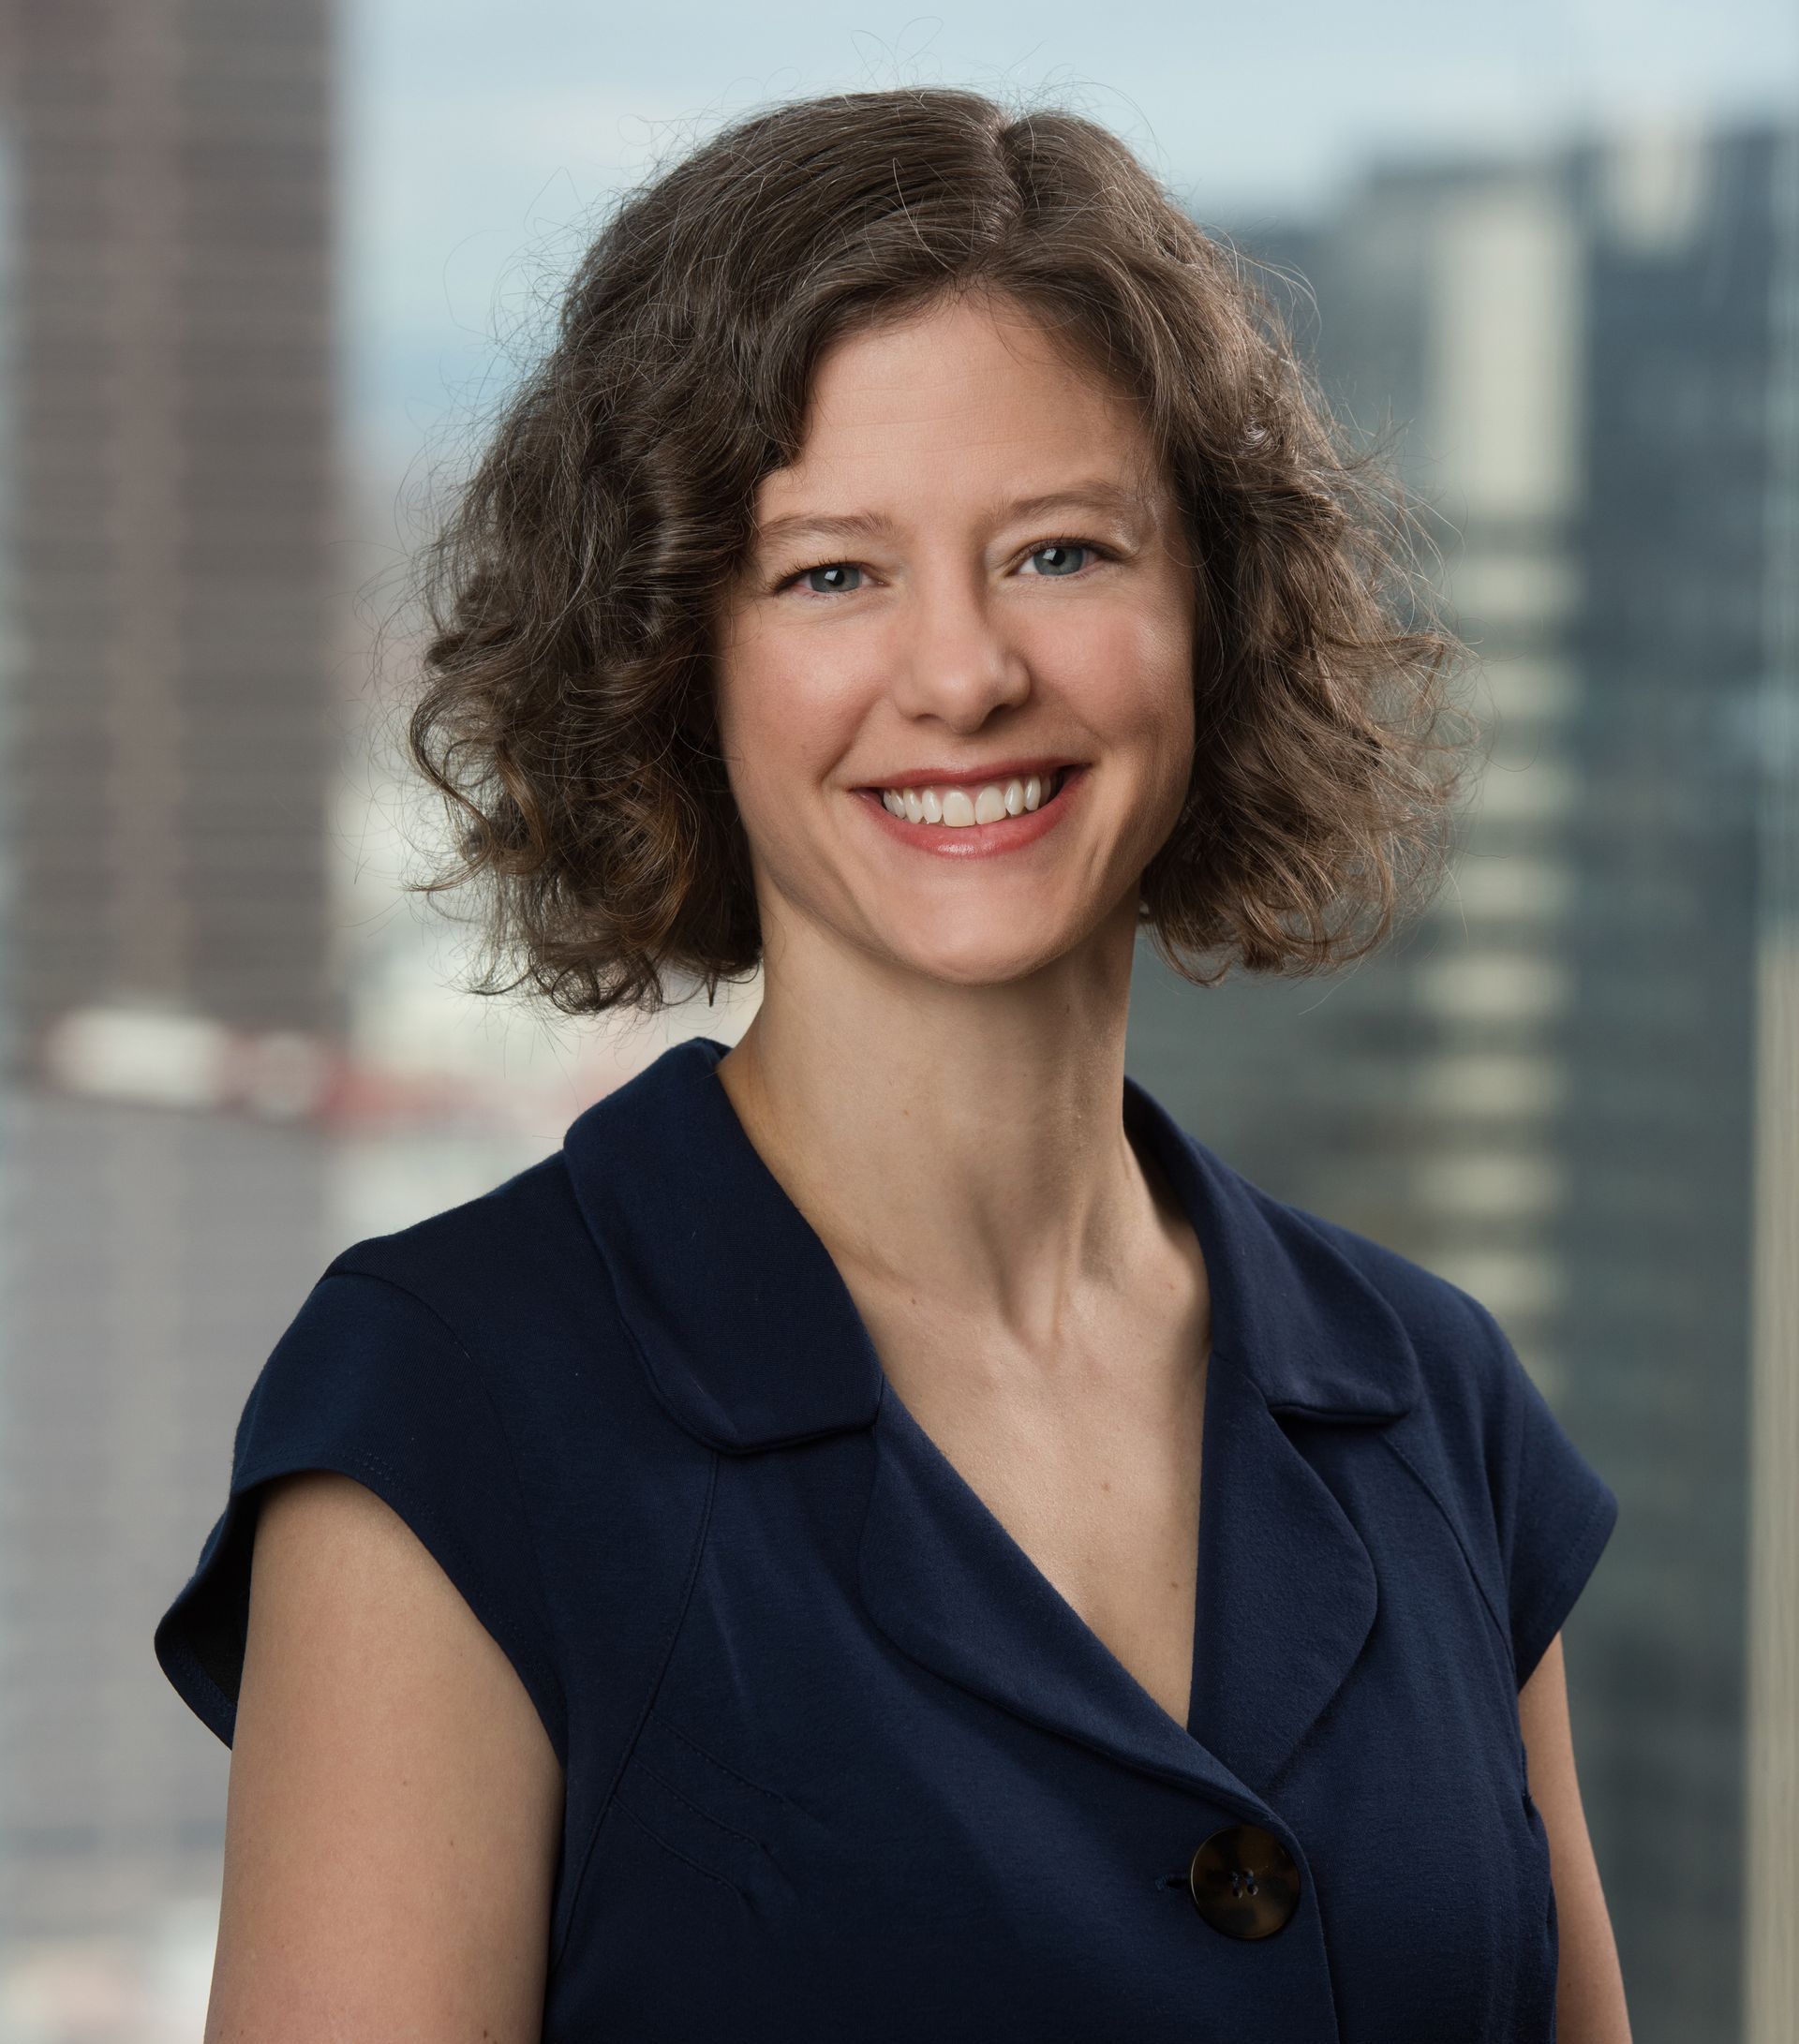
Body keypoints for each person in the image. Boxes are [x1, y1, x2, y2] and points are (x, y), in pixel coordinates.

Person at [155, 85, 1631, 2042]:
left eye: (1061, 552)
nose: (961, 673)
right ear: (680, 657)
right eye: (833, 572)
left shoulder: (1435, 1403)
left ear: (1214, 611)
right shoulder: (454, 1414)